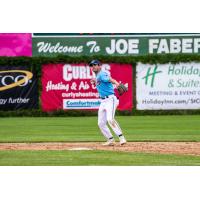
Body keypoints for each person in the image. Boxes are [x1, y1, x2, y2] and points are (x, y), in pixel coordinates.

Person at [89, 59, 127, 146]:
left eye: (95, 64)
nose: (93, 66)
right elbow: (101, 82)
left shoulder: (102, 73)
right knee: (101, 123)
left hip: (110, 99)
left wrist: (117, 83)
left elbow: (110, 79)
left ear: (99, 66)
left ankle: (121, 138)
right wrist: (95, 81)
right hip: (103, 101)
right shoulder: (98, 76)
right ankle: (110, 139)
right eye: (92, 65)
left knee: (110, 119)